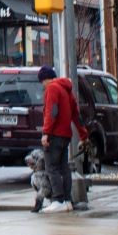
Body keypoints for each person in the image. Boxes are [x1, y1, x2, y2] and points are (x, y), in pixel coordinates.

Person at [38, 65, 87, 213]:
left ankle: (57, 200)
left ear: (45, 79)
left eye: (42, 82)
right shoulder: (67, 90)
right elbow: (76, 114)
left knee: (51, 168)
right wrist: (83, 134)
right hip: (65, 136)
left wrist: (46, 132)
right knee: (64, 168)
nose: (42, 86)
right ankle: (67, 200)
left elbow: (51, 112)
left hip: (54, 135)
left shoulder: (52, 88)